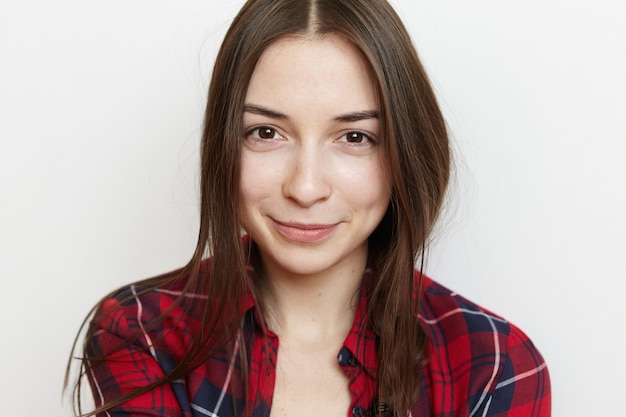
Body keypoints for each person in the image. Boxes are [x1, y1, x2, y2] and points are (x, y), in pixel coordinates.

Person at [66, 0, 551, 416]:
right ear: (223, 145)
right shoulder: (142, 333)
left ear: (405, 150)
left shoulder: (493, 363)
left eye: (355, 137)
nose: (306, 186)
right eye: (266, 132)